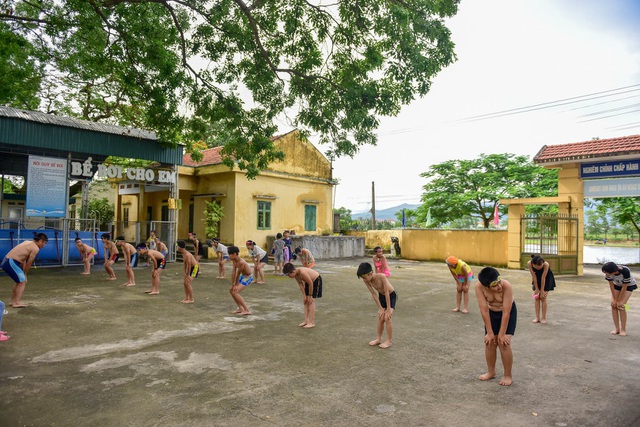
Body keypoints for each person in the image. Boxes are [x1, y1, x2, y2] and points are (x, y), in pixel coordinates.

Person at [475, 267, 517, 386]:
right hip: (491, 313)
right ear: (486, 286)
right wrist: (489, 332)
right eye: (495, 285)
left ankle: (508, 375)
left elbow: (506, 312)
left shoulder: (506, 286)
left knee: (504, 343)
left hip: (507, 313)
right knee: (490, 342)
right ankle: (491, 372)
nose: (499, 287)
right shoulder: (479, 287)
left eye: (499, 282)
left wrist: (502, 334)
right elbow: (484, 310)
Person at [1, 233, 48, 308]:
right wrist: (25, 274)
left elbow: (23, 260)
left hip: (7, 261)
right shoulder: (35, 248)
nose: (44, 245)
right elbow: (29, 263)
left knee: (19, 281)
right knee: (22, 281)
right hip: (11, 262)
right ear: (40, 241)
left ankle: (13, 301)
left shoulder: (27, 242)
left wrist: (23, 273)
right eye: (44, 243)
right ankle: (16, 302)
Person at [356, 262, 396, 349]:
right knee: (381, 317)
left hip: (391, 295)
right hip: (381, 296)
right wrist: (380, 308)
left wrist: (388, 309)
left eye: (364, 277)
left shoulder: (381, 276)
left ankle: (389, 341)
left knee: (387, 317)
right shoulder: (366, 280)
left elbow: (386, 292)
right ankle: (378, 339)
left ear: (370, 273)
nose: (364, 279)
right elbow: (374, 294)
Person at [602, 261, 636, 336]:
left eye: (607, 273)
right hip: (616, 285)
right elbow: (611, 286)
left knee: (621, 306)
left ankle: (623, 329)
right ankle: (617, 328)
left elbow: (624, 286)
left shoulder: (625, 271)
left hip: (628, 286)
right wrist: (614, 300)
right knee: (613, 305)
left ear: (613, 271)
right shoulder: (609, 274)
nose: (606, 274)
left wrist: (619, 300)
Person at [283, 262, 323, 328]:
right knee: (305, 301)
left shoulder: (302, 273)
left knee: (311, 301)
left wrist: (310, 296)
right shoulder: (296, 274)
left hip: (315, 280)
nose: (288, 277)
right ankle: (306, 321)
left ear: (292, 272)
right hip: (309, 281)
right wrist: (304, 296)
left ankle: (312, 322)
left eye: (288, 275)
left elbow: (311, 284)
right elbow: (300, 284)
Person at [528, 255, 556, 324]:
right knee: (537, 298)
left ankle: (543, 318)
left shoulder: (546, 264)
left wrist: (542, 290)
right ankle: (537, 317)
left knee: (543, 297)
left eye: (540, 267)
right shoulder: (529, 263)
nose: (538, 269)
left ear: (543, 263)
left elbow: (543, 278)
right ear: (533, 264)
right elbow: (533, 276)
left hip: (546, 279)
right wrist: (537, 289)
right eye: (536, 268)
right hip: (536, 278)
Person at [228, 245, 253, 315]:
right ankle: (240, 308)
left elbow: (238, 274)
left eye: (229, 254)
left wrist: (236, 285)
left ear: (234, 254)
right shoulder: (234, 261)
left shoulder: (241, 262)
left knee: (235, 292)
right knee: (231, 291)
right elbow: (233, 272)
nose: (228, 256)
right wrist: (233, 284)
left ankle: (247, 310)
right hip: (243, 276)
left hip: (248, 277)